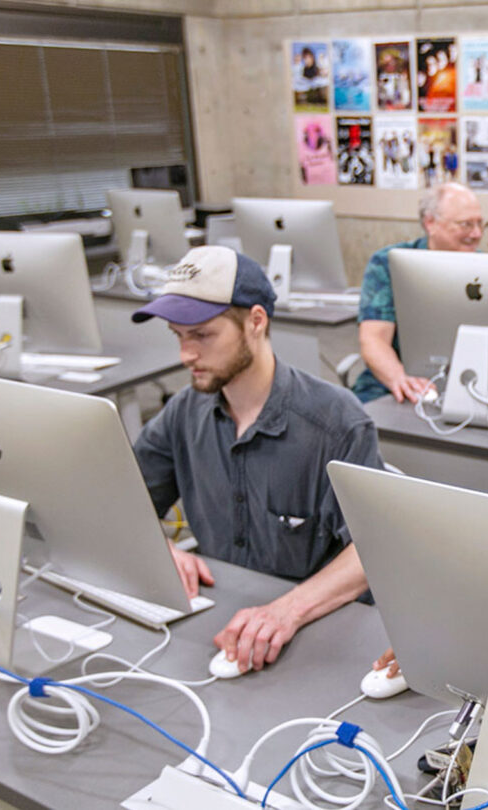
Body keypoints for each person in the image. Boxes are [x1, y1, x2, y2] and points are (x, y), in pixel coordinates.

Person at [131, 246, 384, 674]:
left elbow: (373, 552)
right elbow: (122, 500)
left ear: (256, 321)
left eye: (202, 335)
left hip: (315, 633)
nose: (185, 355)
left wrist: (287, 610)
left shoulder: (337, 422)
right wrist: (159, 548)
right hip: (215, 620)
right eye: (178, 336)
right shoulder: (184, 411)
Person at [354, 183, 485, 404]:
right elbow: (374, 338)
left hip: (467, 381)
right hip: (394, 379)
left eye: (481, 224)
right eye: (465, 225)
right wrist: (399, 377)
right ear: (430, 223)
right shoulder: (388, 263)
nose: (477, 234)